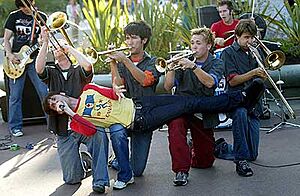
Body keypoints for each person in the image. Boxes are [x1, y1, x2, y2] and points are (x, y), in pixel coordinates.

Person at [43, 80, 264, 143]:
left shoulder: (88, 89)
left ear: (60, 93)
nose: (56, 103)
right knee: (187, 106)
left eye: (54, 99)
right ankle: (241, 98)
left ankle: (238, 101)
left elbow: (112, 92)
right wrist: (71, 114)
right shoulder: (75, 122)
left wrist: (116, 90)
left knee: (187, 101)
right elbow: (92, 131)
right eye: (53, 106)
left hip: (141, 102)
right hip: (140, 120)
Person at [35, 28, 109, 194]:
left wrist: (70, 48)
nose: (56, 50)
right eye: (54, 50)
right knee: (71, 179)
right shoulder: (52, 71)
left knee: (100, 135)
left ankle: (100, 180)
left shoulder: (78, 70)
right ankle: (84, 163)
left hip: (85, 125)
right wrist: (46, 42)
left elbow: (88, 65)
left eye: (58, 47)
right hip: (64, 131)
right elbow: (38, 69)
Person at [164, 27, 223, 186]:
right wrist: (170, 69)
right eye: (192, 43)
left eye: (198, 43)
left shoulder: (217, 62)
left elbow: (210, 82)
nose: (194, 47)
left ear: (209, 46)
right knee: (175, 126)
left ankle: (190, 148)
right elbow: (168, 87)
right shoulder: (185, 61)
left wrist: (194, 67)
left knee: (205, 162)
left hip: (203, 110)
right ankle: (180, 171)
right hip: (182, 106)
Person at [107, 20, 160, 178]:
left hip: (144, 117)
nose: (129, 42)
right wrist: (113, 64)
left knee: (137, 171)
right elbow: (118, 85)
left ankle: (119, 161)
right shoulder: (123, 62)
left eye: (134, 38)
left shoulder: (154, 62)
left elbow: (145, 81)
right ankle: (120, 159)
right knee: (116, 131)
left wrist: (125, 60)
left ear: (144, 40)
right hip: (124, 114)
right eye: (127, 38)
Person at [220, 19, 267, 177]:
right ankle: (240, 162)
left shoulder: (256, 51)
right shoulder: (228, 53)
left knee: (252, 155)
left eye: (252, 37)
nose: (250, 41)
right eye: (246, 37)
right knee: (240, 114)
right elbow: (233, 80)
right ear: (237, 36)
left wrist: (262, 74)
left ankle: (220, 147)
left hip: (253, 103)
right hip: (236, 100)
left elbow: (261, 80)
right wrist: (254, 73)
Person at [3, 0, 48, 137]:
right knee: (15, 96)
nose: (26, 9)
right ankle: (15, 127)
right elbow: (6, 39)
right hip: (16, 61)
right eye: (23, 7)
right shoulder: (14, 16)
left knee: (44, 92)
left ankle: (53, 124)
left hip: (35, 60)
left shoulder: (41, 17)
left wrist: (43, 41)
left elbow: (44, 39)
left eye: (28, 5)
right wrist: (10, 55)